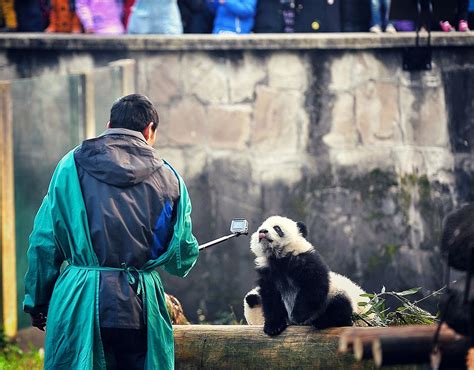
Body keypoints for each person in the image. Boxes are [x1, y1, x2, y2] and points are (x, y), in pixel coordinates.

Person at [23, 94, 200, 369]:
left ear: (109, 124)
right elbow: (181, 257)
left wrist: (37, 301)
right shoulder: (170, 179)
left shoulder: (70, 166)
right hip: (141, 308)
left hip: (79, 301)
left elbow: (44, 242)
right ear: (149, 130)